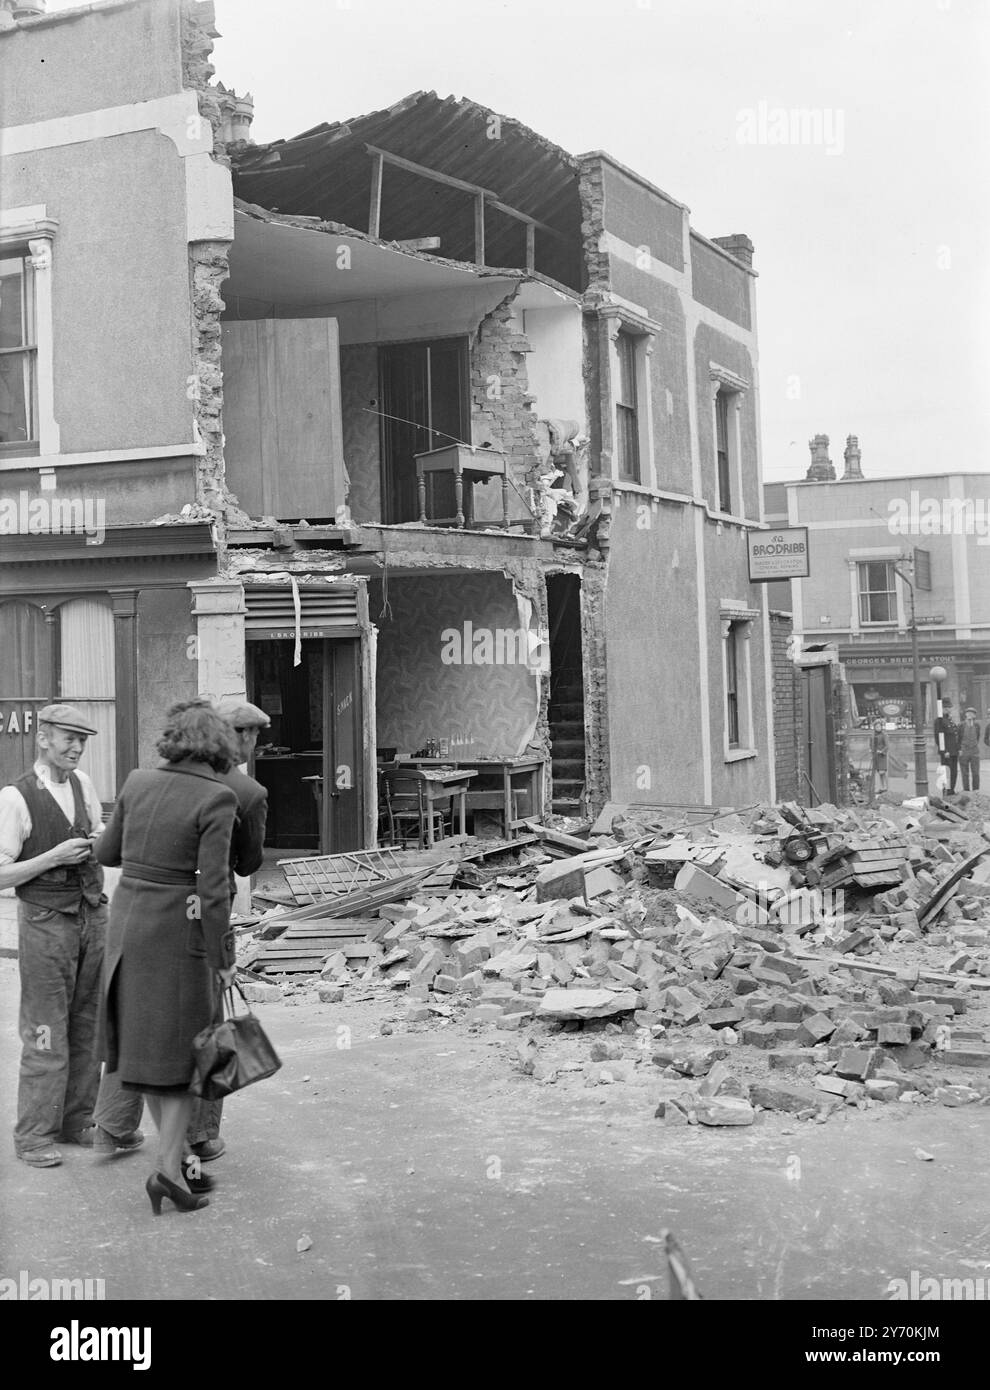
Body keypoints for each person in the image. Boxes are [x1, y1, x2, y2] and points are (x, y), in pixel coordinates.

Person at [92, 700, 271, 1171]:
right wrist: (224, 958)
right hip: (179, 936)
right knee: (186, 1052)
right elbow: (213, 891)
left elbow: (108, 854)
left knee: (138, 1044)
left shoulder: (136, 781)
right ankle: (176, 1165)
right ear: (221, 743)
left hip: (126, 931)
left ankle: (155, 1157)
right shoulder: (220, 797)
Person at [0, 706, 110, 1167]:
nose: (76, 748)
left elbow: (102, 836)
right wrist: (53, 857)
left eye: (82, 740)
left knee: (88, 1025)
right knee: (46, 1030)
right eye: (67, 738)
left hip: (91, 917)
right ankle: (33, 1136)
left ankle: (76, 1120)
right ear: (42, 738)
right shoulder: (15, 797)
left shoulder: (84, 786)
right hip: (45, 922)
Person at [186, 700, 270, 1163]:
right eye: (253, 737)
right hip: (204, 917)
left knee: (148, 1020)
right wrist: (226, 958)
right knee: (210, 1028)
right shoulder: (245, 791)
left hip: (148, 919)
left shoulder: (160, 781)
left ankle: (114, 1121)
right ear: (245, 737)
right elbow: (248, 865)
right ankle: (199, 1135)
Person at [934, 697, 960, 794]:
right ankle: (946, 792)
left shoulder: (950, 720)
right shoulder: (939, 721)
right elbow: (938, 737)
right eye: (948, 707)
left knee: (954, 772)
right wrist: (944, 751)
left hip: (953, 751)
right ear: (944, 708)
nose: (950, 709)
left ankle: (951, 790)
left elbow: (955, 735)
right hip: (947, 752)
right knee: (946, 773)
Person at [958, 707, 982, 792]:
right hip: (964, 751)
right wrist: (959, 749)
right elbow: (958, 739)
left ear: (975, 715)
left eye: (972, 713)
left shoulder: (977, 725)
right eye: (968, 713)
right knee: (965, 773)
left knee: (975, 773)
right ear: (965, 714)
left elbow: (977, 737)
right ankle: (966, 790)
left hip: (975, 751)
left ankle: (976, 790)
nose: (970, 715)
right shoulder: (961, 725)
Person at [870, 719, 889, 795]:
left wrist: (881, 751)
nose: (878, 728)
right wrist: (871, 750)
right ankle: (881, 787)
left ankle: (885, 787)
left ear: (881, 727)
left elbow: (887, 746)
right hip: (875, 756)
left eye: (879, 726)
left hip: (882, 756)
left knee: (882, 772)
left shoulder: (884, 735)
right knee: (878, 772)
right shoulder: (872, 735)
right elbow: (871, 744)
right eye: (876, 726)